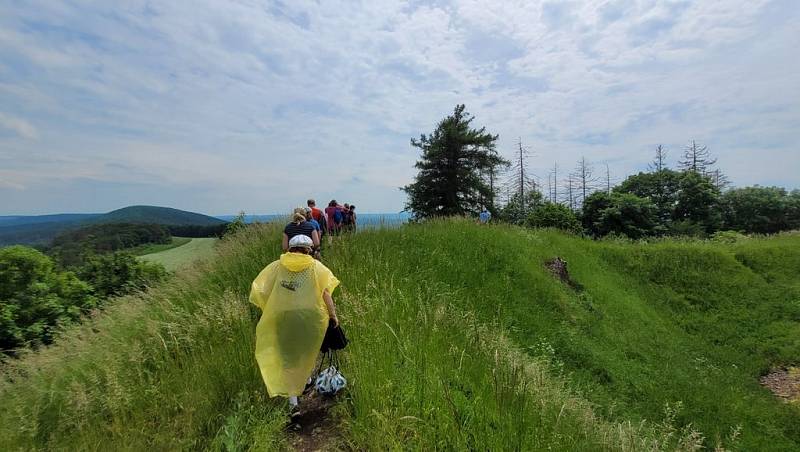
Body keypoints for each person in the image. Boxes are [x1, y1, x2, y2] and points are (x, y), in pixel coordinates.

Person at [249, 234, 340, 411]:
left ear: (290, 249)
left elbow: (262, 290)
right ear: (309, 249)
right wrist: (333, 315)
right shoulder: (316, 267)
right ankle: (305, 380)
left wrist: (271, 308)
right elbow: (326, 294)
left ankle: (293, 405)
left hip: (283, 318)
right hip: (308, 318)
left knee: (288, 359)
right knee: (306, 352)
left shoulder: (276, 267)